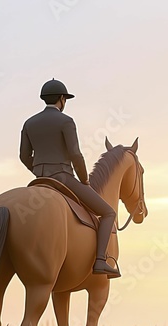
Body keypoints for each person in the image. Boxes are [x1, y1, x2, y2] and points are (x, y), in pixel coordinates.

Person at [19, 79, 120, 278]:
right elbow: (75, 154)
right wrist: (84, 180)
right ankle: (100, 260)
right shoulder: (66, 121)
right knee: (108, 213)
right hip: (64, 178)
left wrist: (40, 171)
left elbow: (23, 156)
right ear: (62, 99)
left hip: (40, 178)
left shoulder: (29, 123)